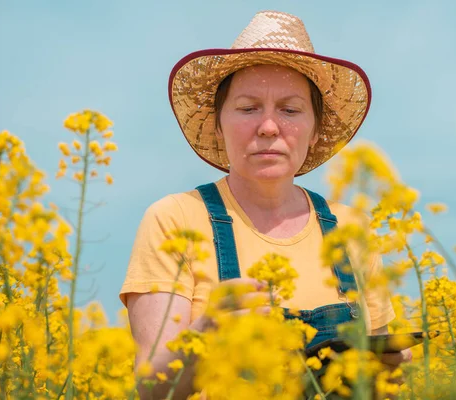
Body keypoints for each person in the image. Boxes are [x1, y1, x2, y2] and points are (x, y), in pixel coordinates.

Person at [120, 10, 411, 399]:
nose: (269, 127)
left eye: (290, 110)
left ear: (315, 130)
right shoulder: (174, 219)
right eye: (248, 108)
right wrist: (207, 331)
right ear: (220, 124)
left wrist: (391, 375)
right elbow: (152, 390)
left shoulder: (350, 228)